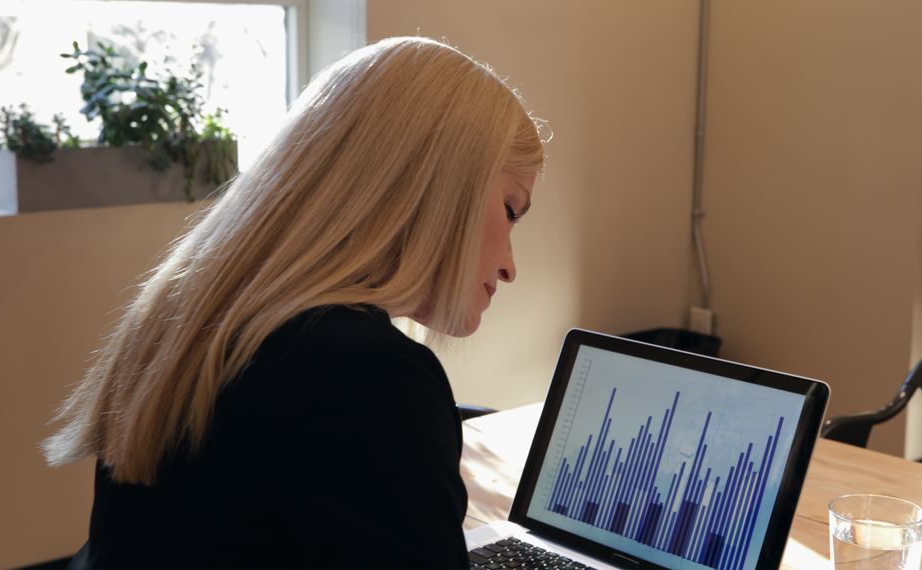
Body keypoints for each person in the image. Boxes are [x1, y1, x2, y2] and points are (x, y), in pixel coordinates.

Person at [43, 36, 545, 569]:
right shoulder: (376, 380)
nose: (510, 267)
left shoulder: (190, 315)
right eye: (512, 210)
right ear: (441, 189)